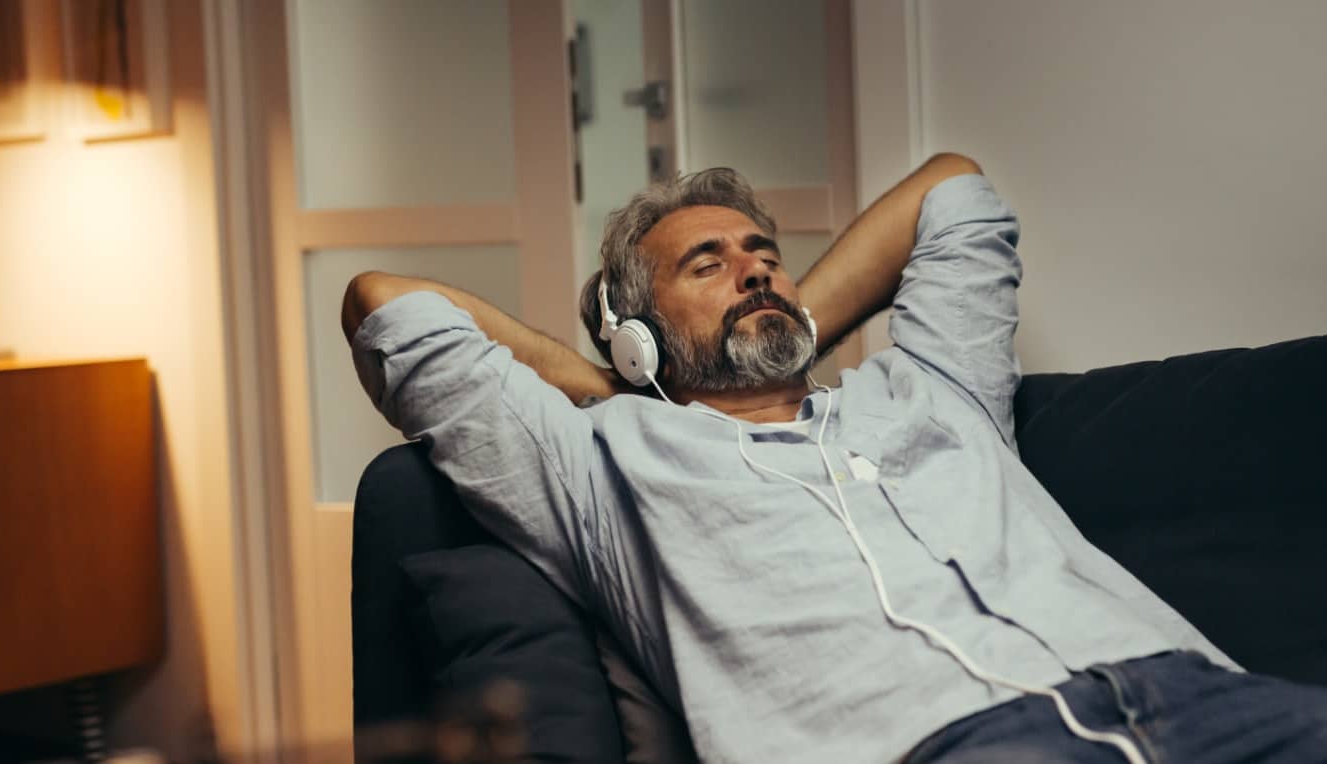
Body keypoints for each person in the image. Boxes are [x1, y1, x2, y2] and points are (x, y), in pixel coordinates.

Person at [342, 154, 1327, 762]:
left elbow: (955, 189)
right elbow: (386, 302)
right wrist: (621, 388)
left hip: (1209, 698)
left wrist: (780, 313)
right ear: (634, 333)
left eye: (762, 253)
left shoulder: (932, 391)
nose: (754, 266)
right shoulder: (598, 464)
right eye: (708, 262)